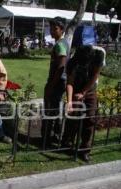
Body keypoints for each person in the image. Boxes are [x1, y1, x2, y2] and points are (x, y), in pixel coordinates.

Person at [62, 45, 106, 162]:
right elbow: (70, 83)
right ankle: (67, 143)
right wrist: (70, 101)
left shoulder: (98, 57)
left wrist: (84, 92)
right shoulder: (72, 63)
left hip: (90, 90)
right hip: (76, 88)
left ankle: (85, 150)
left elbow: (95, 76)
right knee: (73, 117)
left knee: (90, 118)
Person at [41, 17, 70, 148]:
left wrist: (51, 85)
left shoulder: (60, 44)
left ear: (62, 30)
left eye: (55, 28)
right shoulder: (63, 42)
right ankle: (54, 137)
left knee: (50, 110)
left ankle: (48, 139)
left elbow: (61, 65)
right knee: (55, 109)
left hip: (57, 82)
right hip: (59, 82)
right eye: (51, 28)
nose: (52, 30)